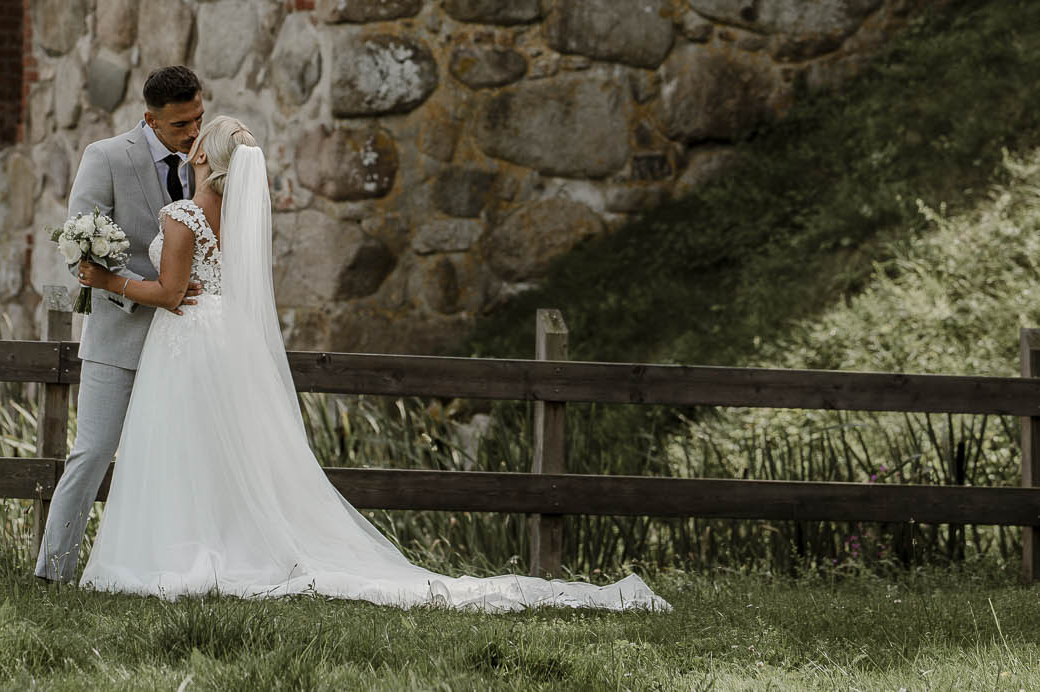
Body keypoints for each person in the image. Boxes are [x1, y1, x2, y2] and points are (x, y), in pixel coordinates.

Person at [76, 115, 667, 613]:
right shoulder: (240, 219)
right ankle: (228, 541)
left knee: (185, 446)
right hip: (225, 340)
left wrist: (109, 278)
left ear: (203, 153)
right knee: (223, 449)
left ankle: (179, 550)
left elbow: (173, 294)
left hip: (187, 343)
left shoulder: (182, 216)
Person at [34, 64, 205, 583]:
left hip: (186, 342)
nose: (193, 133)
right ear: (151, 119)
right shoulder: (106, 157)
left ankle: (167, 573)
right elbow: (78, 251)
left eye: (198, 118)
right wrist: (155, 290)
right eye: (180, 126)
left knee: (180, 463)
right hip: (119, 336)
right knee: (91, 455)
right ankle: (53, 572)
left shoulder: (209, 163)